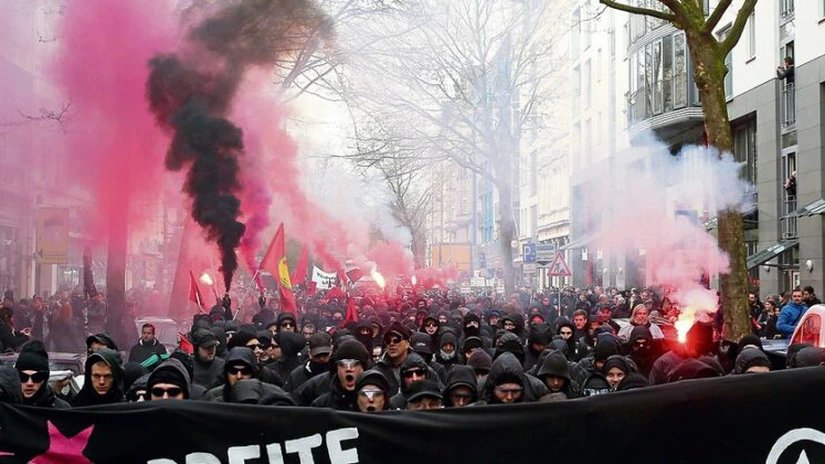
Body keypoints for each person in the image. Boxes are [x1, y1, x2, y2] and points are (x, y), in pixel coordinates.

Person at [311, 339, 370, 411]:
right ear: (337, 370)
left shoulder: (374, 402)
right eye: (342, 365)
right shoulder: (322, 405)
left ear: (363, 369)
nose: (349, 369)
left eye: (355, 364)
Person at [15, 342, 70, 408]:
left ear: (45, 378)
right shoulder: (5, 408)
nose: (30, 383)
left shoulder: (60, 409)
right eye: (23, 377)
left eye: (37, 377)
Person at [374, 322, 412, 396]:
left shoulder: (421, 367)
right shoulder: (377, 372)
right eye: (388, 340)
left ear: (407, 343)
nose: (391, 344)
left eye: (396, 340)